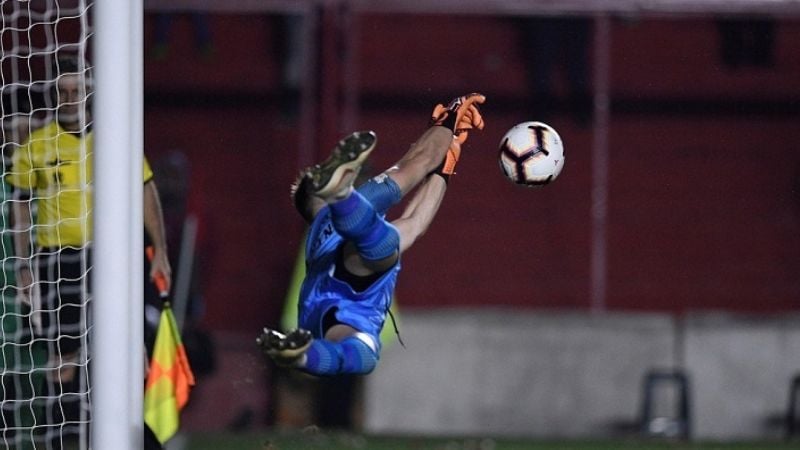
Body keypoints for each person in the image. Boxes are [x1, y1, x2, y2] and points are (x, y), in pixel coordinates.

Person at [5, 56, 172, 447]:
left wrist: (160, 248)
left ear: (89, 92)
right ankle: (60, 439)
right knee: (62, 360)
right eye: (62, 91)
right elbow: (18, 206)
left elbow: (145, 190)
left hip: (110, 258)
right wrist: (23, 263)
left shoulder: (115, 140)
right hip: (56, 261)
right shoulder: (37, 145)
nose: (69, 98)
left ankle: (136, 436)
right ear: (53, 94)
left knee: (129, 352)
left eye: (76, 90)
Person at [257, 92, 486, 376]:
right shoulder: (358, 206)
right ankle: (342, 196)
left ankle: (302, 358)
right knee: (384, 233)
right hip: (343, 286)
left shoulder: (322, 236)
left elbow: (416, 223)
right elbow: (422, 159)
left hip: (328, 309)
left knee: (363, 352)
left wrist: (446, 165)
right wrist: (448, 121)